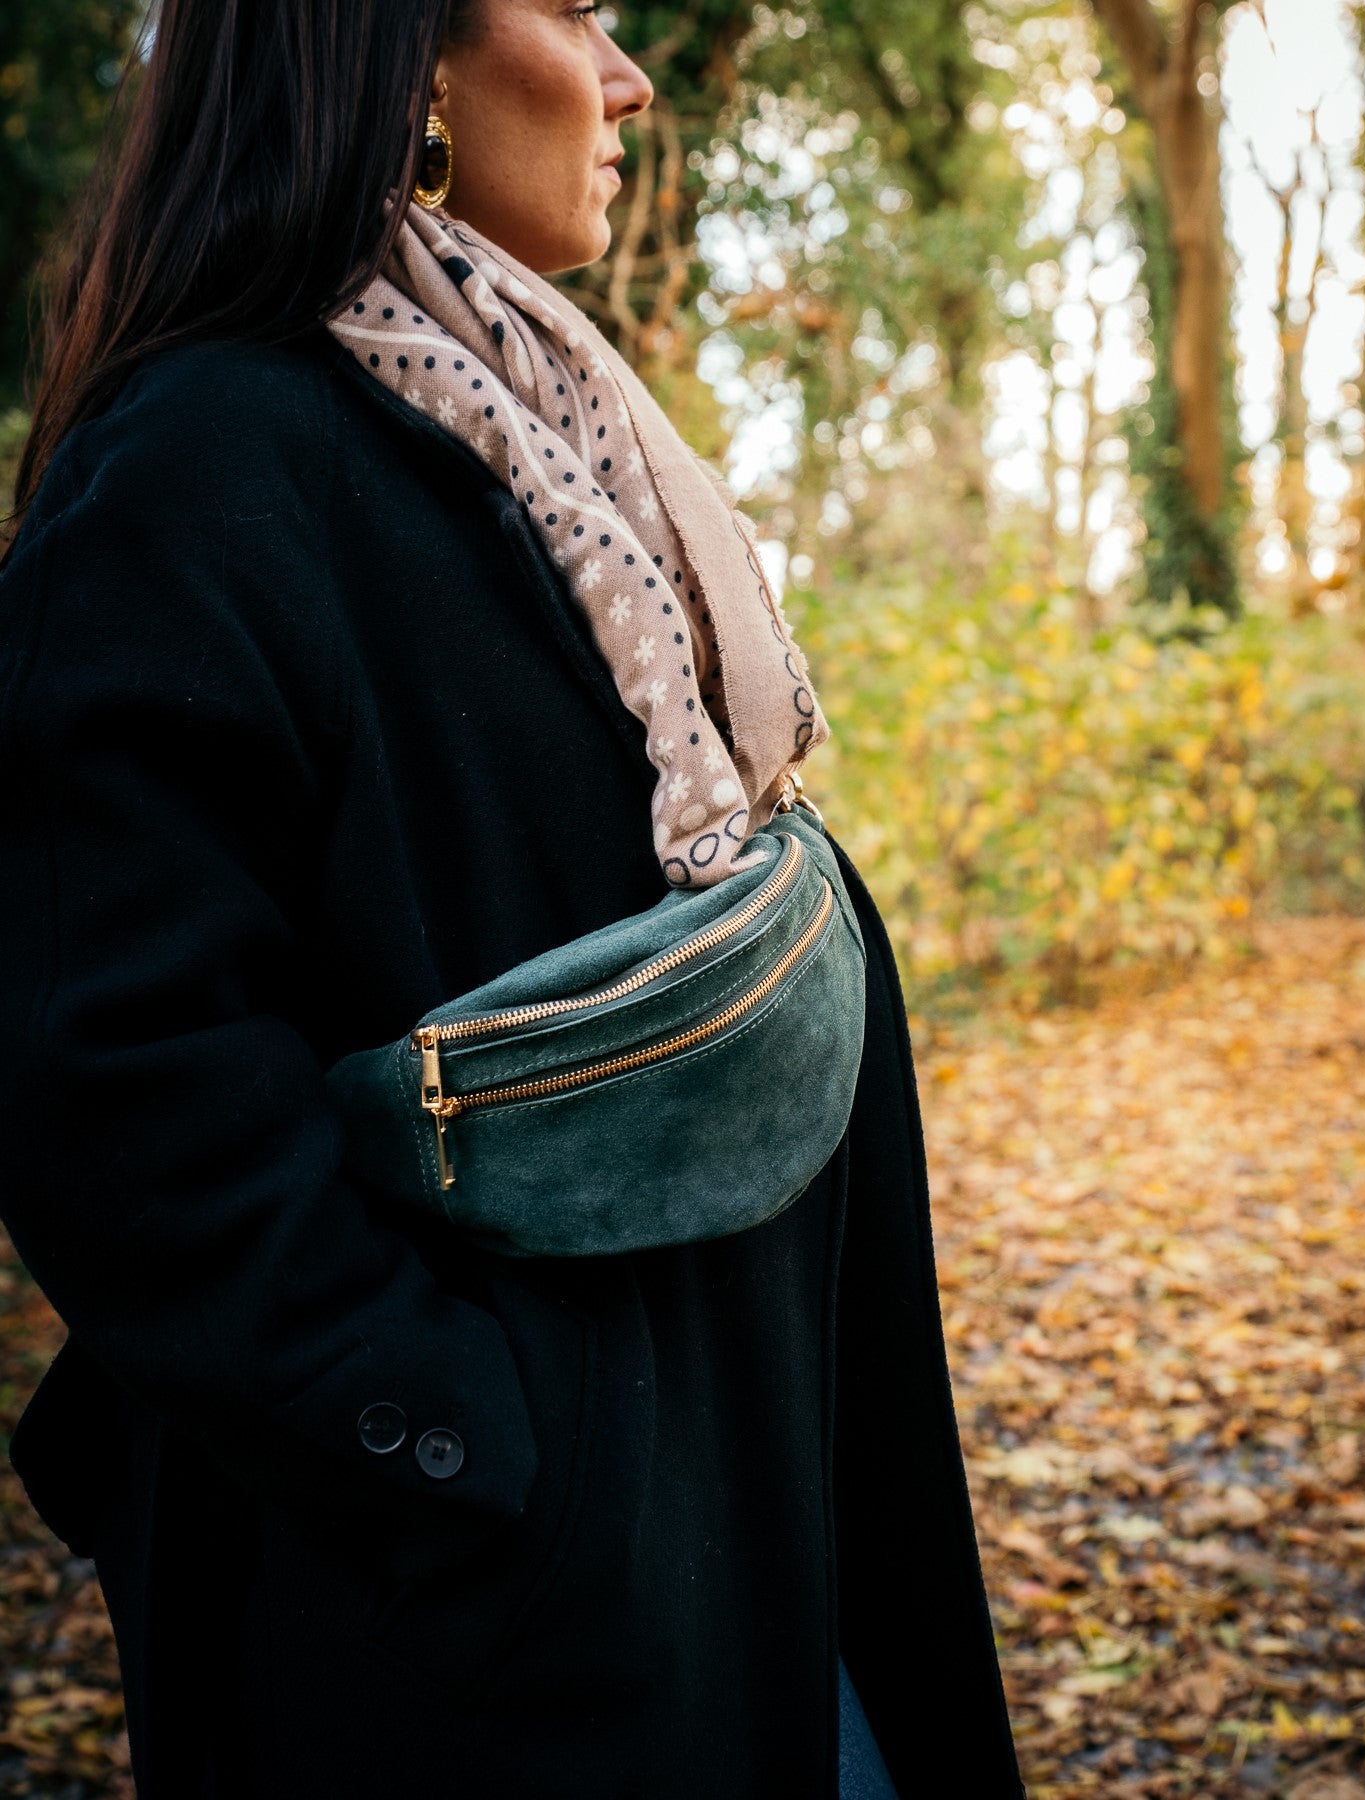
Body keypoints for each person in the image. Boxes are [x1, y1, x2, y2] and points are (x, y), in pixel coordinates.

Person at [0, 2, 1024, 1795]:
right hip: (497, 1649)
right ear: (396, 63)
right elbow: (113, 1090)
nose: (628, 79)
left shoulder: (551, 441)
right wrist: (479, 1457)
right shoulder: (194, 469)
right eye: (575, 11)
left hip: (759, 1522)